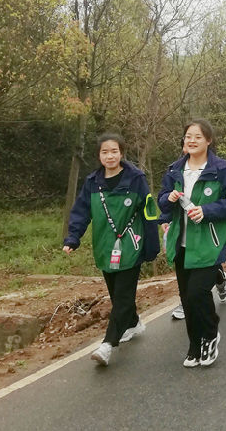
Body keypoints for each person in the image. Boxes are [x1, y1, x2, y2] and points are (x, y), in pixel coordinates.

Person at [64, 133, 160, 367]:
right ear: (99, 155)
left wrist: (151, 245)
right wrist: (73, 237)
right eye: (105, 152)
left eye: (114, 151)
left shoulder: (136, 179)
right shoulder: (92, 182)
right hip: (105, 246)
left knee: (123, 296)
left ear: (121, 153)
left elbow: (149, 212)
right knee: (118, 295)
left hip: (131, 244)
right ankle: (134, 323)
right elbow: (81, 211)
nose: (110, 156)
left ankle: (108, 345)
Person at [158, 120, 226, 367]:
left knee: (198, 292)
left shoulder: (221, 170)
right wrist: (168, 198)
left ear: (208, 141)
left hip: (208, 243)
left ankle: (210, 334)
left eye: (197, 136)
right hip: (181, 243)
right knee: (186, 298)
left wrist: (206, 210)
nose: (191, 140)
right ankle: (194, 345)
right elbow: (162, 201)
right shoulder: (175, 170)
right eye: (187, 137)